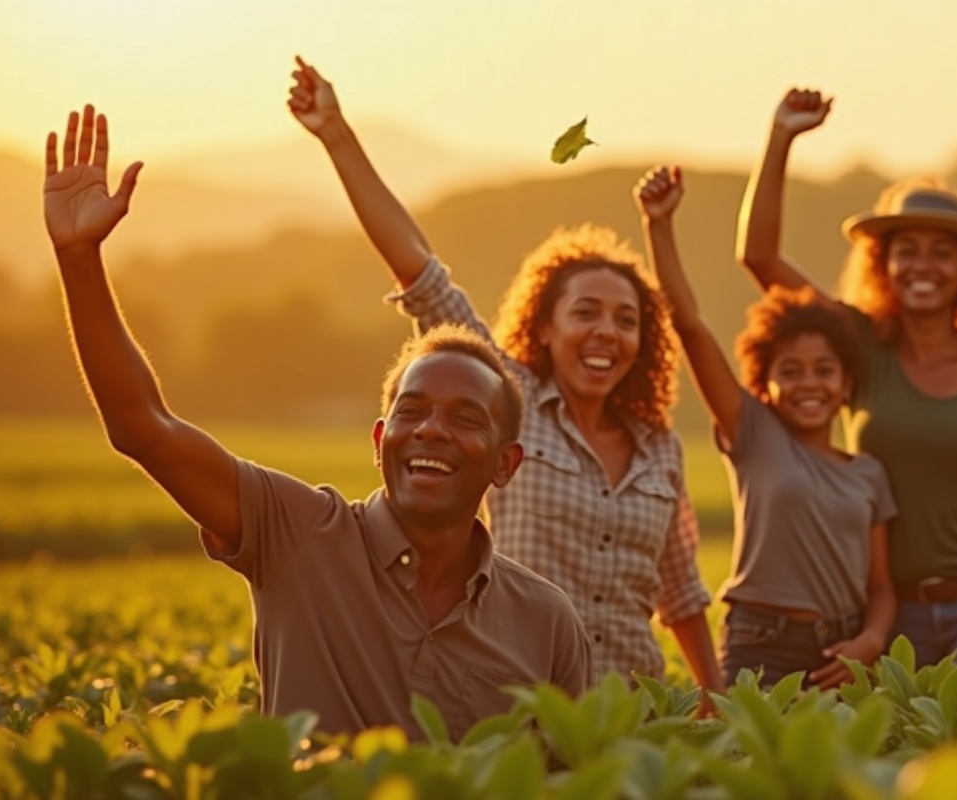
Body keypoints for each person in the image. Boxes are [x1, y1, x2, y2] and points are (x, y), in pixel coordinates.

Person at [40, 104, 590, 739]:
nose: (432, 430)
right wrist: (79, 260)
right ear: (380, 440)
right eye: (410, 412)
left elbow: (570, 776)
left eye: (465, 418)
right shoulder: (297, 535)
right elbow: (144, 428)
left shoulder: (546, 621)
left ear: (505, 463)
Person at [286, 58, 724, 693]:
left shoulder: (659, 448)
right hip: (514, 694)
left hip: (633, 709)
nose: (607, 330)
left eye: (626, 320)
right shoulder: (504, 402)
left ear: (642, 342)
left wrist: (715, 699)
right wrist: (337, 135)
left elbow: (680, 589)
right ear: (544, 328)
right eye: (586, 313)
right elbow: (420, 273)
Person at [738, 89, 957, 670]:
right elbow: (759, 257)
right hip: (891, 613)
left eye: (942, 253)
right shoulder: (861, 346)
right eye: (907, 251)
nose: (923, 266)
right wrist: (781, 136)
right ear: (883, 266)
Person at [634, 165, 897, 688]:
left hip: (839, 649)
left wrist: (869, 641)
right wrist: (659, 226)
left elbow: (883, 588)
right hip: (761, 643)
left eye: (825, 371)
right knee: (742, 763)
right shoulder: (753, 434)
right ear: (764, 382)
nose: (809, 385)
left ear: (848, 384)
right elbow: (689, 323)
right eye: (790, 371)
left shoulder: (869, 473)